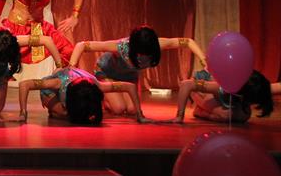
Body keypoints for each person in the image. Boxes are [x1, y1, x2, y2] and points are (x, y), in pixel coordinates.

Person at [68, 26, 207, 115]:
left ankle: (115, 97)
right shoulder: (121, 47)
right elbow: (82, 45)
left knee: (132, 110)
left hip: (129, 78)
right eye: (140, 53)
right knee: (118, 108)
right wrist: (71, 68)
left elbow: (188, 42)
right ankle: (104, 99)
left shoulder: (157, 45)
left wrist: (204, 61)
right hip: (107, 73)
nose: (143, 58)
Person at [18, 67, 152, 124]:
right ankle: (56, 111)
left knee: (85, 115)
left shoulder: (97, 85)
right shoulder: (58, 82)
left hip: (76, 88)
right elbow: (25, 84)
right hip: (50, 91)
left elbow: (130, 86)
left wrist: (140, 115)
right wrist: (23, 113)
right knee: (66, 114)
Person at [172, 69, 277, 124]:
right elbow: (186, 84)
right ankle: (201, 110)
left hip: (227, 99)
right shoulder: (223, 86)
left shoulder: (259, 89)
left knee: (241, 116)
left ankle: (201, 111)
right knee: (226, 114)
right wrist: (179, 116)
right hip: (201, 86)